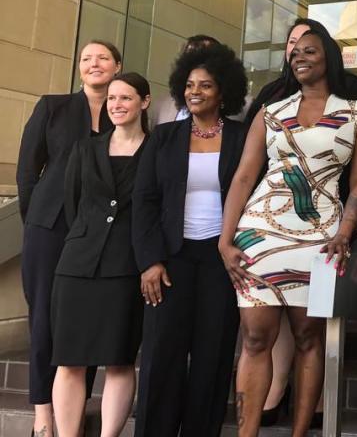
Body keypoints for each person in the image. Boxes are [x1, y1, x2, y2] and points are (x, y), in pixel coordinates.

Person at [242, 17, 357, 428]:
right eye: (294, 52)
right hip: (261, 234)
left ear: (329, 58)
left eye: (310, 50)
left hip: (322, 240)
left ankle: (300, 432)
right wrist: (227, 240)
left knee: (308, 339)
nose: (300, 56)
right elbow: (245, 175)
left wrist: (346, 231)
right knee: (254, 339)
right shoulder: (270, 110)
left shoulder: (356, 112)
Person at [132, 44, 249, 437]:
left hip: (220, 260)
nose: (194, 91)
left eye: (206, 85)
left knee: (212, 357)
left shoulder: (243, 137)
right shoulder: (163, 137)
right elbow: (144, 202)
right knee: (162, 355)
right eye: (189, 84)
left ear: (224, 92)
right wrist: (149, 260)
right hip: (170, 260)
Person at [17, 39, 121, 437]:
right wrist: (35, 221)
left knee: (85, 319)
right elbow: (28, 171)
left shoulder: (122, 111)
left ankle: (74, 416)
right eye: (86, 59)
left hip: (96, 232)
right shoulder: (52, 106)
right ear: (79, 68)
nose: (94, 64)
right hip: (49, 226)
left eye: (103, 58)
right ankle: (43, 415)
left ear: (117, 66)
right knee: (44, 317)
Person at [50, 73, 151, 437]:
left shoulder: (157, 151)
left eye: (125, 98)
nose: (117, 105)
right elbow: (75, 203)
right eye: (112, 98)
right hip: (77, 265)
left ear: (145, 102)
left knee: (119, 360)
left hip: (125, 268)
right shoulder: (85, 148)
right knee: (69, 361)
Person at [151, 34, 220, 126]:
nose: (195, 65)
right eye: (189, 58)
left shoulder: (243, 110)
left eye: (202, 58)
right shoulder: (162, 106)